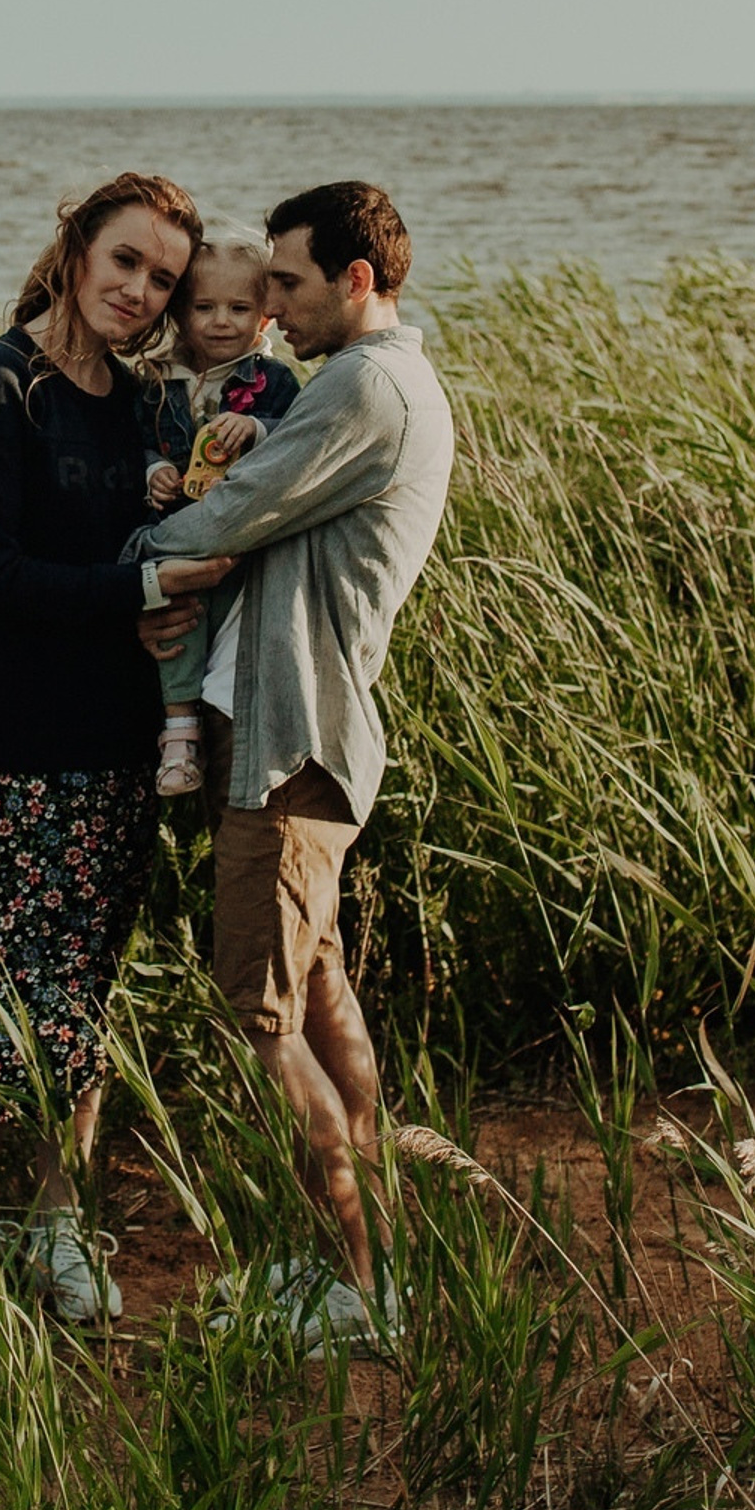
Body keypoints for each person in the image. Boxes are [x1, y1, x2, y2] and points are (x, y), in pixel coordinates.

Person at [0, 173, 235, 1322]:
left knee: (72, 1011)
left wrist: (166, 606)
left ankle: (61, 1231)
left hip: (112, 748)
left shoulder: (144, 408)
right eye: (125, 261)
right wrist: (136, 587)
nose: (140, 291)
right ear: (76, 246)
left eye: (164, 280)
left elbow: (174, 531)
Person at [128, 181, 454, 1350]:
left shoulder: (366, 386)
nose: (265, 306)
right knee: (316, 996)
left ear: (355, 280)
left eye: (287, 283)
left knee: (256, 1020)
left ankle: (349, 1288)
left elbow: (219, 520)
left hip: (287, 743)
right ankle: (373, 1268)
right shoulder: (375, 383)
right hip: (299, 735)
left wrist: (119, 559)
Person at [138, 233, 302, 798]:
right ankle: (179, 735)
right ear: (181, 314)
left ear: (264, 317)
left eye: (239, 309)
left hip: (239, 537)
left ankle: (218, 729)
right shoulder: (157, 382)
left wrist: (256, 428)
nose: (221, 322)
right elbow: (137, 442)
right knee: (179, 622)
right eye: (204, 308)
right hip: (177, 534)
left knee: (229, 630)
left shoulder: (270, 381)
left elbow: (300, 439)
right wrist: (153, 468)